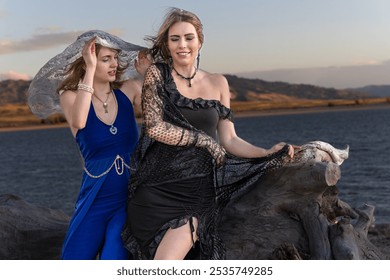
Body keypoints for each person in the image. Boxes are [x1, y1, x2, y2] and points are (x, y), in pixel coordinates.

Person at [121, 8, 297, 260]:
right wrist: (203, 140)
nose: (182, 45)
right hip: (154, 189)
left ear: (200, 41)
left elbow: (229, 139)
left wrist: (266, 152)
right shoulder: (156, 74)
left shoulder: (218, 83)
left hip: (196, 192)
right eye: (175, 39)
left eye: (189, 37)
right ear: (167, 44)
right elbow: (155, 128)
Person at [27, 30, 150, 259]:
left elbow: (162, 114)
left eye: (115, 58)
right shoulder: (70, 96)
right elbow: (80, 121)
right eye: (106, 59)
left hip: (129, 198)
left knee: (113, 258)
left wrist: (149, 76)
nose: (114, 64)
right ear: (87, 62)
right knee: (73, 261)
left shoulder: (129, 90)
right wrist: (91, 69)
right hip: (94, 198)